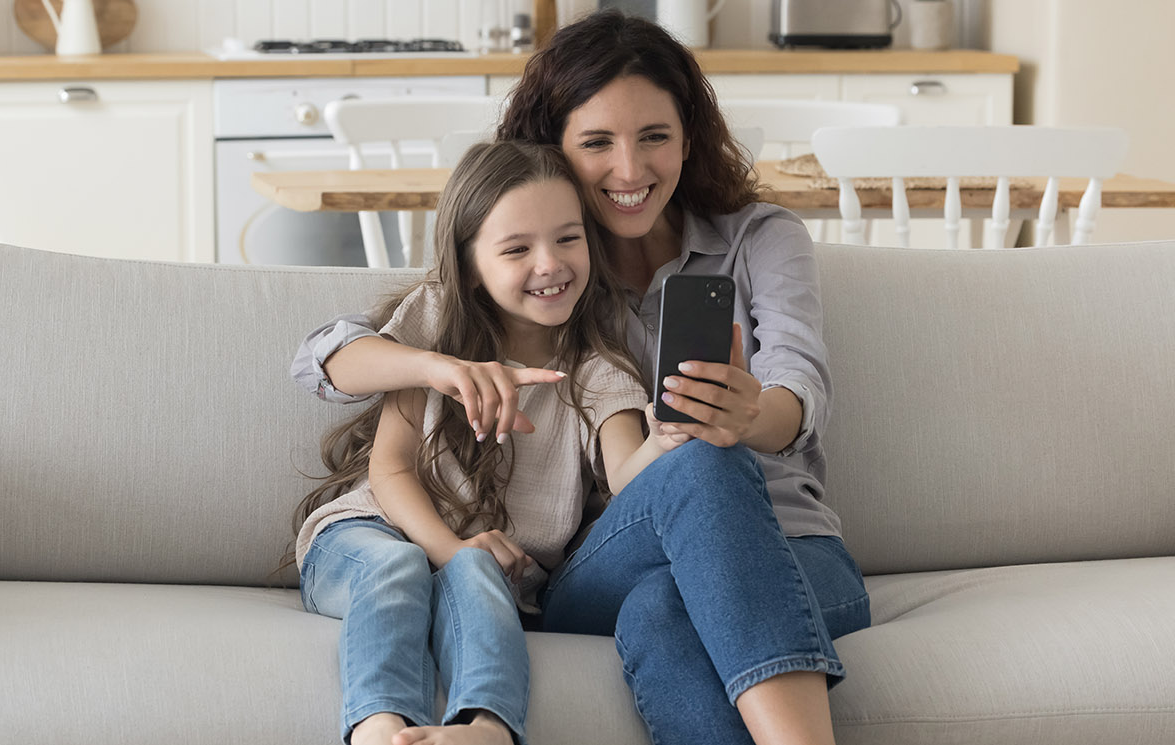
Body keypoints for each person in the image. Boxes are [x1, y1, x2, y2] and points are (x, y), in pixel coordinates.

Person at [289, 10, 871, 745]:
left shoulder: (758, 241)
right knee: (696, 463)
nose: (629, 171)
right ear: (554, 152)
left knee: (669, 583)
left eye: (654, 136)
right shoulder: (541, 269)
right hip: (615, 553)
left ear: (688, 140)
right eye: (597, 143)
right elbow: (337, 351)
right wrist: (444, 366)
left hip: (790, 546)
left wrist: (747, 414)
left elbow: (799, 387)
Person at [293, 140, 696, 745]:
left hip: (487, 562)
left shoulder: (596, 373)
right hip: (368, 534)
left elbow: (627, 479)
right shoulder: (436, 326)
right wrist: (437, 370)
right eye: (516, 249)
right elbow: (391, 469)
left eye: (568, 238)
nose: (550, 264)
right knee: (399, 563)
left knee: (483, 572)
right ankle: (379, 727)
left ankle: (487, 728)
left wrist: (666, 438)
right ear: (472, 266)